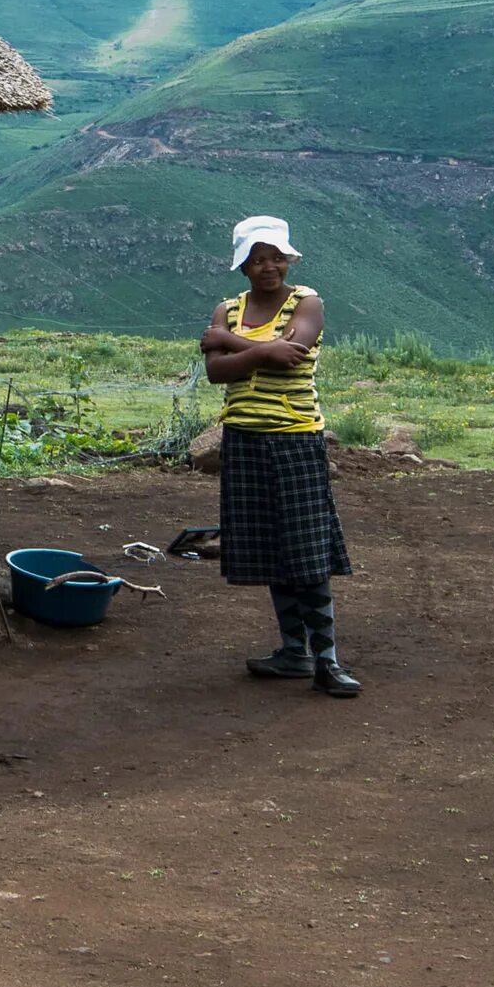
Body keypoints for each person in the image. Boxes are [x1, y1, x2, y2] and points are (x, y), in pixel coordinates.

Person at [199, 215, 357, 697]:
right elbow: (216, 375)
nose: (268, 267)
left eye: (276, 257)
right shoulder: (229, 306)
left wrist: (230, 342)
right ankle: (294, 652)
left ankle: (326, 659)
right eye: (257, 259)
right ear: (243, 266)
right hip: (244, 438)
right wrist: (262, 350)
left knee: (307, 550)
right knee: (273, 549)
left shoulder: (306, 301)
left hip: (295, 436)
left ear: (288, 259)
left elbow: (295, 353)